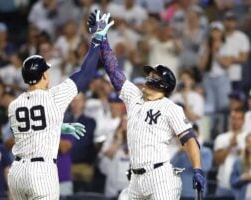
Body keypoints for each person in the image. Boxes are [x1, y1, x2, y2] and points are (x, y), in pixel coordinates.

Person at [87, 11, 204, 200]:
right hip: (135, 179)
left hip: (161, 177)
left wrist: (198, 169)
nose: (149, 77)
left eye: (154, 75)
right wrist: (102, 40)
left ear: (164, 85)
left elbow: (190, 139)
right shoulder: (134, 96)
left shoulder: (170, 107)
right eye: (150, 74)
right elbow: (114, 72)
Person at [7, 11, 114, 200]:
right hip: (41, 171)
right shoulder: (53, 97)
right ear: (45, 76)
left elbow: (33, 128)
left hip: (17, 173)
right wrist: (96, 40)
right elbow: (85, 73)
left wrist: (60, 126)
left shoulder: (14, 105)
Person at [171, 123, 213, 199]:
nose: (190, 139)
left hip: (199, 193)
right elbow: (171, 169)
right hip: (180, 193)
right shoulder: (180, 153)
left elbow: (204, 168)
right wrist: (179, 152)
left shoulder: (206, 152)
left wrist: (190, 152)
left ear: (198, 134)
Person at [214, 109, 248, 198]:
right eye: (233, 118)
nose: (235, 121)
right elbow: (218, 161)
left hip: (242, 186)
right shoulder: (221, 138)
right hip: (223, 186)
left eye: (239, 118)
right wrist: (230, 146)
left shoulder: (248, 138)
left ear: (243, 120)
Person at [231, 133, 251, 200]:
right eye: (248, 142)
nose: (250, 144)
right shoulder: (239, 161)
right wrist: (242, 178)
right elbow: (232, 182)